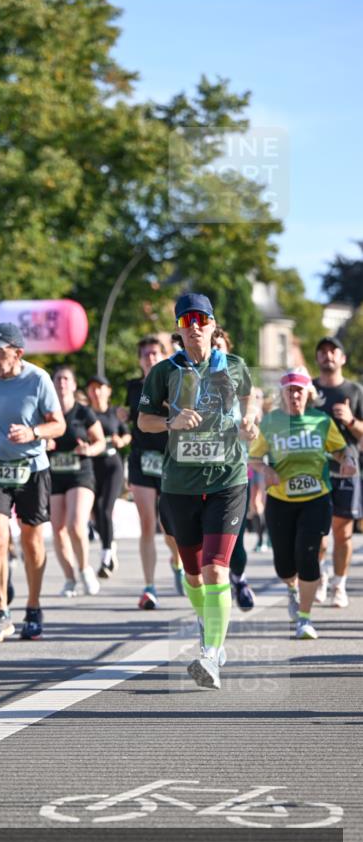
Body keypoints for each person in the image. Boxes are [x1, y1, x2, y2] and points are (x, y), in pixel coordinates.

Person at [138, 293, 258, 690]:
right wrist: (171, 420)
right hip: (180, 484)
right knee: (193, 574)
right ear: (178, 327)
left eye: (201, 318)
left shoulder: (236, 367)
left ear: (212, 324)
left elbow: (249, 409)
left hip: (228, 479)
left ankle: (211, 653)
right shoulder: (163, 371)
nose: (194, 326)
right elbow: (143, 422)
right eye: (186, 319)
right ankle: (209, 622)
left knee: (215, 568)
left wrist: (251, 426)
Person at [0, 323, 65, 642]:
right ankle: (0, 611)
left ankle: (33, 606)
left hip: (31, 468)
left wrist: (33, 432)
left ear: (17, 353)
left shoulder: (38, 380)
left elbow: (58, 425)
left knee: (31, 540)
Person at [249, 367, 356, 639]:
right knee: (284, 565)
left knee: (307, 555)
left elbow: (341, 450)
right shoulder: (272, 422)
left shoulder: (321, 421)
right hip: (281, 500)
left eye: (299, 389)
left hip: (316, 498)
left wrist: (347, 462)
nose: (294, 394)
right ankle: (292, 589)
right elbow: (253, 458)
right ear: (282, 393)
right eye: (289, 390)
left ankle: (305, 619)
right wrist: (267, 470)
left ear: (309, 393)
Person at [124, 335, 184, 609]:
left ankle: (177, 561)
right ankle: (149, 587)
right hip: (141, 460)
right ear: (139, 360)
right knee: (147, 523)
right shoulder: (133, 387)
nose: (149, 358)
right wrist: (121, 417)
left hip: (170, 459)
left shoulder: (174, 382)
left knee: (168, 526)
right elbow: (130, 419)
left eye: (154, 354)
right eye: (145, 354)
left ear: (163, 356)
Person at [312, 337, 363, 607]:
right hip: (314, 470)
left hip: (347, 470)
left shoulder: (355, 391)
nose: (327, 355)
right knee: (318, 533)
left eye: (333, 351)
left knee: (343, 534)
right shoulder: (308, 390)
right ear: (317, 358)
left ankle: (339, 585)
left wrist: (351, 420)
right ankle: (321, 578)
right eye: (322, 352)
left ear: (342, 358)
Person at [48, 366, 106, 596]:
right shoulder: (47, 412)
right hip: (54, 475)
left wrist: (89, 450)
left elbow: (100, 441)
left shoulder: (83, 412)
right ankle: (69, 578)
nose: (61, 383)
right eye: (58, 379)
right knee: (58, 529)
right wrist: (44, 443)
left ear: (73, 385)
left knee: (75, 524)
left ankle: (84, 569)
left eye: (66, 379)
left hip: (80, 473)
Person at [212, 327, 255, 611]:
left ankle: (238, 577)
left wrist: (249, 423)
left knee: (235, 539)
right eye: (211, 345)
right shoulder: (190, 378)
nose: (215, 350)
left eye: (219, 345)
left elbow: (252, 411)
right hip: (198, 472)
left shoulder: (240, 377)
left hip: (234, 470)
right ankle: (214, 593)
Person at [86, 373, 130, 577]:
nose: (96, 392)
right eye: (92, 388)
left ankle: (106, 557)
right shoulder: (85, 414)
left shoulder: (114, 413)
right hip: (92, 466)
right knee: (95, 514)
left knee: (105, 508)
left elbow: (126, 433)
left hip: (112, 465)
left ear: (108, 391)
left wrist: (122, 441)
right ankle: (109, 545)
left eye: (100, 387)